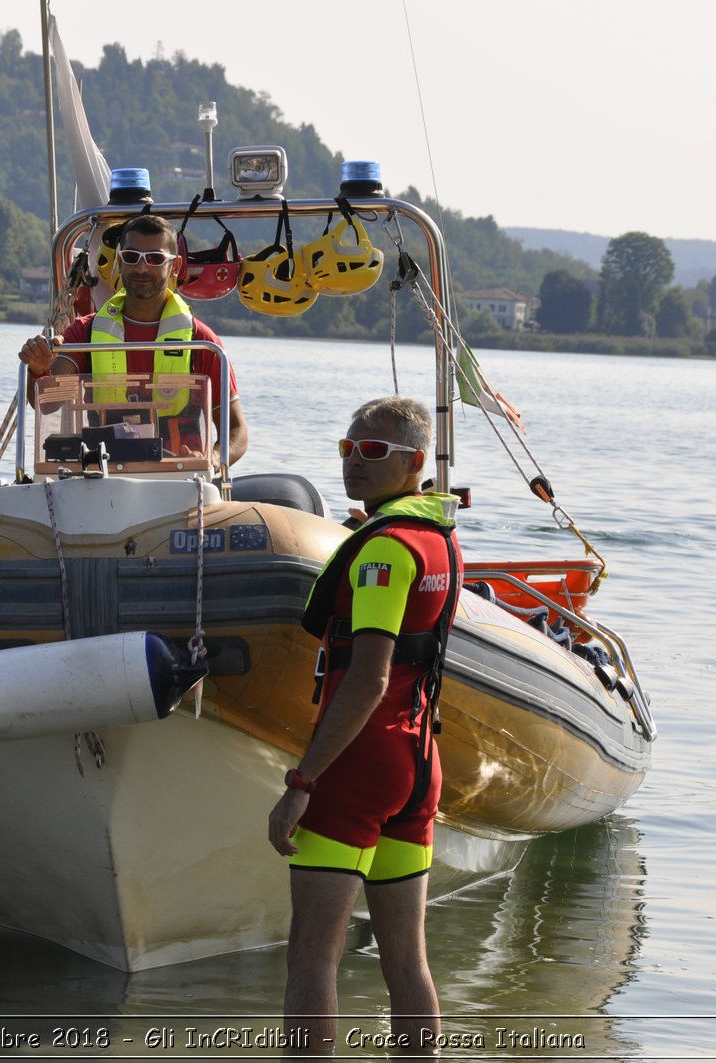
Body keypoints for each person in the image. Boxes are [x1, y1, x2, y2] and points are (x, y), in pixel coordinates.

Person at [267, 396, 463, 1056]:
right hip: (417, 762)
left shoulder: (384, 552)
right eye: (348, 449)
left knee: (312, 958)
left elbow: (370, 676)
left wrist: (303, 779)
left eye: (373, 452)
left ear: (412, 462)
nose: (355, 462)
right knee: (407, 961)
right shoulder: (439, 537)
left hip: (361, 763)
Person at [16, 213, 249, 463]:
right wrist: (38, 372)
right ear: (120, 261)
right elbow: (49, 406)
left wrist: (211, 460)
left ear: (176, 266)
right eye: (131, 257)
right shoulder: (84, 333)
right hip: (101, 478)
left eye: (155, 259)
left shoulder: (201, 341)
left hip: (180, 481)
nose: (141, 268)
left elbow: (237, 432)